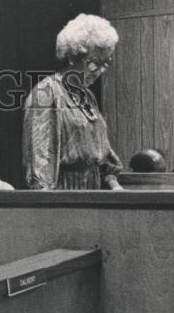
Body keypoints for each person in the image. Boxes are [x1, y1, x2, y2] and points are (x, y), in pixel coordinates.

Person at [23, 13, 123, 191]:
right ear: (72, 57)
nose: (99, 71)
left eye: (105, 63)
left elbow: (103, 157)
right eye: (93, 63)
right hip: (66, 194)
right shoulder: (46, 94)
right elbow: (40, 168)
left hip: (93, 190)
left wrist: (116, 188)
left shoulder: (88, 96)